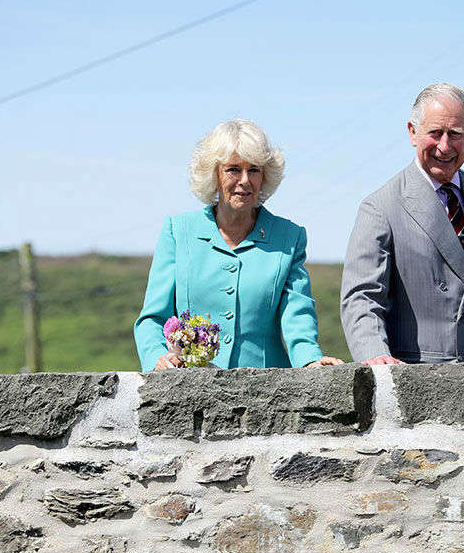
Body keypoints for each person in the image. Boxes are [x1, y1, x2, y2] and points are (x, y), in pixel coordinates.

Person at [134, 119, 342, 371]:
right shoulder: (178, 232)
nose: (245, 180)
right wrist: (157, 357)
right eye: (233, 169)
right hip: (189, 386)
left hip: (268, 389)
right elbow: (152, 318)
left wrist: (310, 358)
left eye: (254, 170)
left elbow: (297, 314)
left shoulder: (289, 236)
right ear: (214, 174)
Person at [340, 83, 464, 365]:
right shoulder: (380, 207)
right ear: (412, 132)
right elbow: (361, 297)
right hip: (418, 380)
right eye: (435, 133)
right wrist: (374, 354)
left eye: (455, 134)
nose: (444, 146)